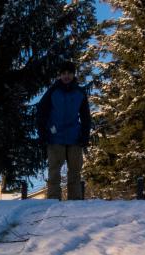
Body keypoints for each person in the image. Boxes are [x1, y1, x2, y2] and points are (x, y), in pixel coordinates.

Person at [37, 61, 91, 201]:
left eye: (69, 73)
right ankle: (53, 201)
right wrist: (43, 134)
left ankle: (75, 202)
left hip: (74, 138)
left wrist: (84, 136)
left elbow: (86, 117)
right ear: (60, 75)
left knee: (75, 172)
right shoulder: (52, 92)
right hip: (55, 138)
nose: (66, 76)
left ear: (74, 74)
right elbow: (41, 112)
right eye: (63, 73)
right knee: (54, 172)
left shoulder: (80, 93)